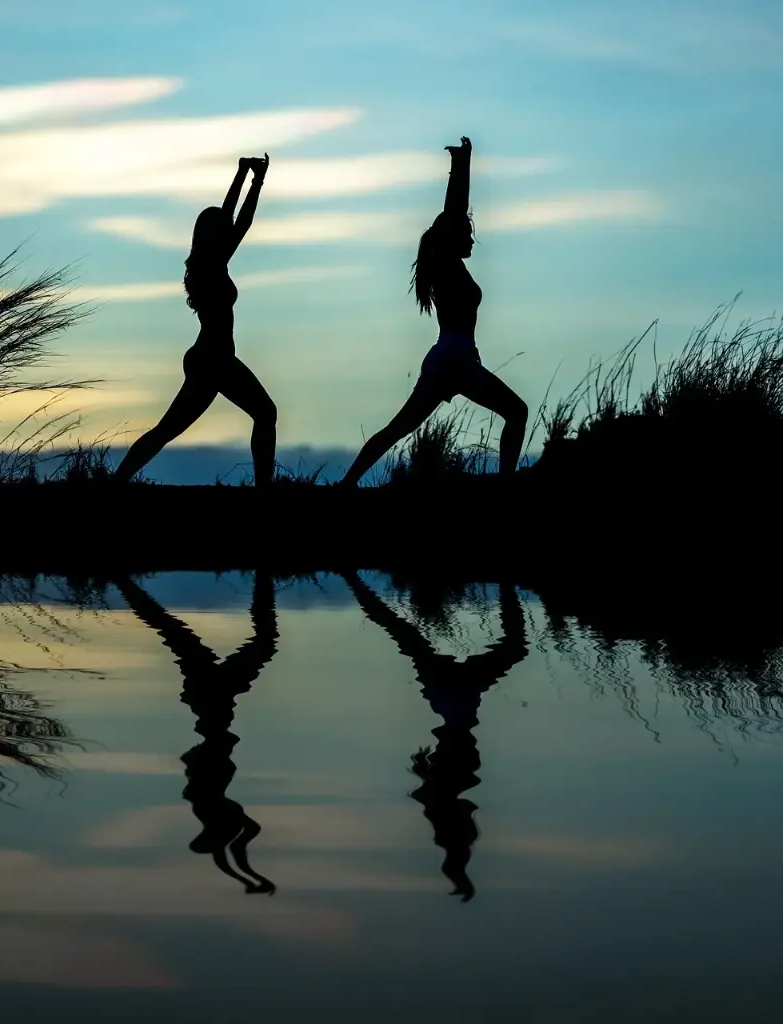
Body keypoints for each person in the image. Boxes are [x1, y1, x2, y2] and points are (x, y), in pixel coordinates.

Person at [341, 137, 528, 485]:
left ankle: (347, 483)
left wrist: (462, 163)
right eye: (468, 235)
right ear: (453, 238)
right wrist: (462, 164)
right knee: (517, 411)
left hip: (449, 358)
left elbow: (455, 215)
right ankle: (506, 484)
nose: (473, 240)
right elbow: (455, 209)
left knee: (397, 429)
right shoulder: (445, 264)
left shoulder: (448, 265)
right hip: (453, 359)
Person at [341, 571, 528, 901]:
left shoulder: (454, 789)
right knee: (403, 633)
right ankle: (353, 580)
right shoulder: (441, 797)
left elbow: (451, 812)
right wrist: (424, 769)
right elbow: (439, 800)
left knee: (405, 633)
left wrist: (459, 866)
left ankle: (506, 582)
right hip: (451, 696)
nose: (471, 816)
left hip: (458, 696)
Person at [114, 155, 277, 485]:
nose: (227, 229)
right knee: (265, 413)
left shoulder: (209, 262)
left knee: (167, 430)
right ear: (211, 235)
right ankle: (264, 489)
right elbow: (239, 222)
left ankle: (116, 481)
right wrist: (256, 182)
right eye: (220, 228)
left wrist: (243, 172)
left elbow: (227, 217)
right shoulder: (210, 265)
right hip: (213, 360)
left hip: (211, 359)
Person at [115, 571, 278, 895]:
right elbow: (232, 850)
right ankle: (263, 575)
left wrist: (249, 877)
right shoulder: (221, 817)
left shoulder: (210, 807)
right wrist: (249, 878)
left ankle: (123, 581)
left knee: (176, 632)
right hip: (215, 700)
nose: (221, 845)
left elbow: (234, 846)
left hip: (211, 698)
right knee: (176, 632)